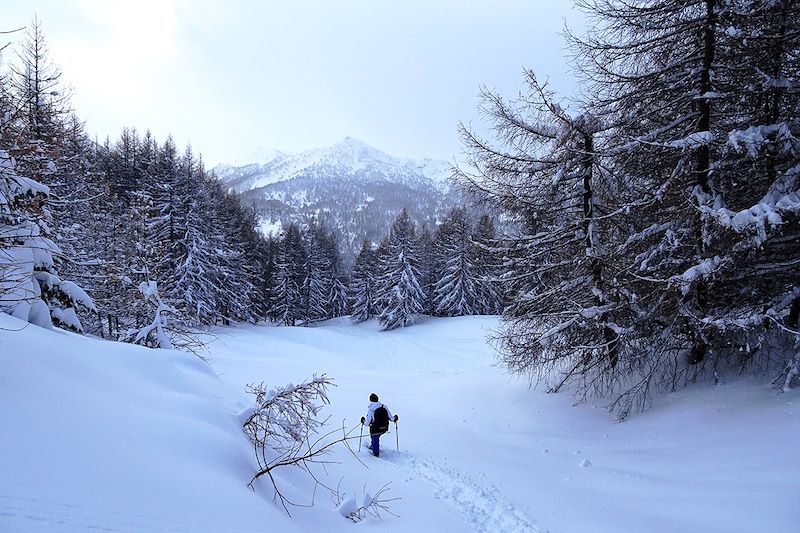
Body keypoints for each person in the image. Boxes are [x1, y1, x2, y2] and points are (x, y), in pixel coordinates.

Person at [360, 393, 398, 457]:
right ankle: (373, 446)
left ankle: (375, 454)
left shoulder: (371, 410)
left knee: (374, 437)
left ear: (370, 400)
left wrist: (363, 421)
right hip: (384, 428)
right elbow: (391, 418)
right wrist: (395, 418)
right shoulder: (384, 407)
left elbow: (367, 423)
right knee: (375, 437)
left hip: (375, 429)